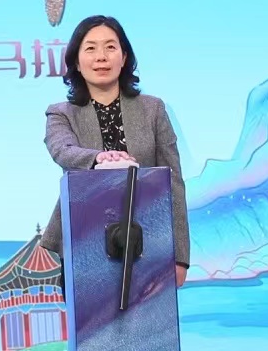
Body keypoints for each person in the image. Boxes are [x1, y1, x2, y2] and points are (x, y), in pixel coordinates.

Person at [38, 14, 190, 274]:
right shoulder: (61, 113)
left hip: (150, 241)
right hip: (83, 238)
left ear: (124, 57)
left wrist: (180, 257)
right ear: (76, 62)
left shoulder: (153, 109)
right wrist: (98, 159)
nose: (101, 57)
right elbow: (62, 150)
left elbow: (172, 182)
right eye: (90, 48)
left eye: (110, 47)